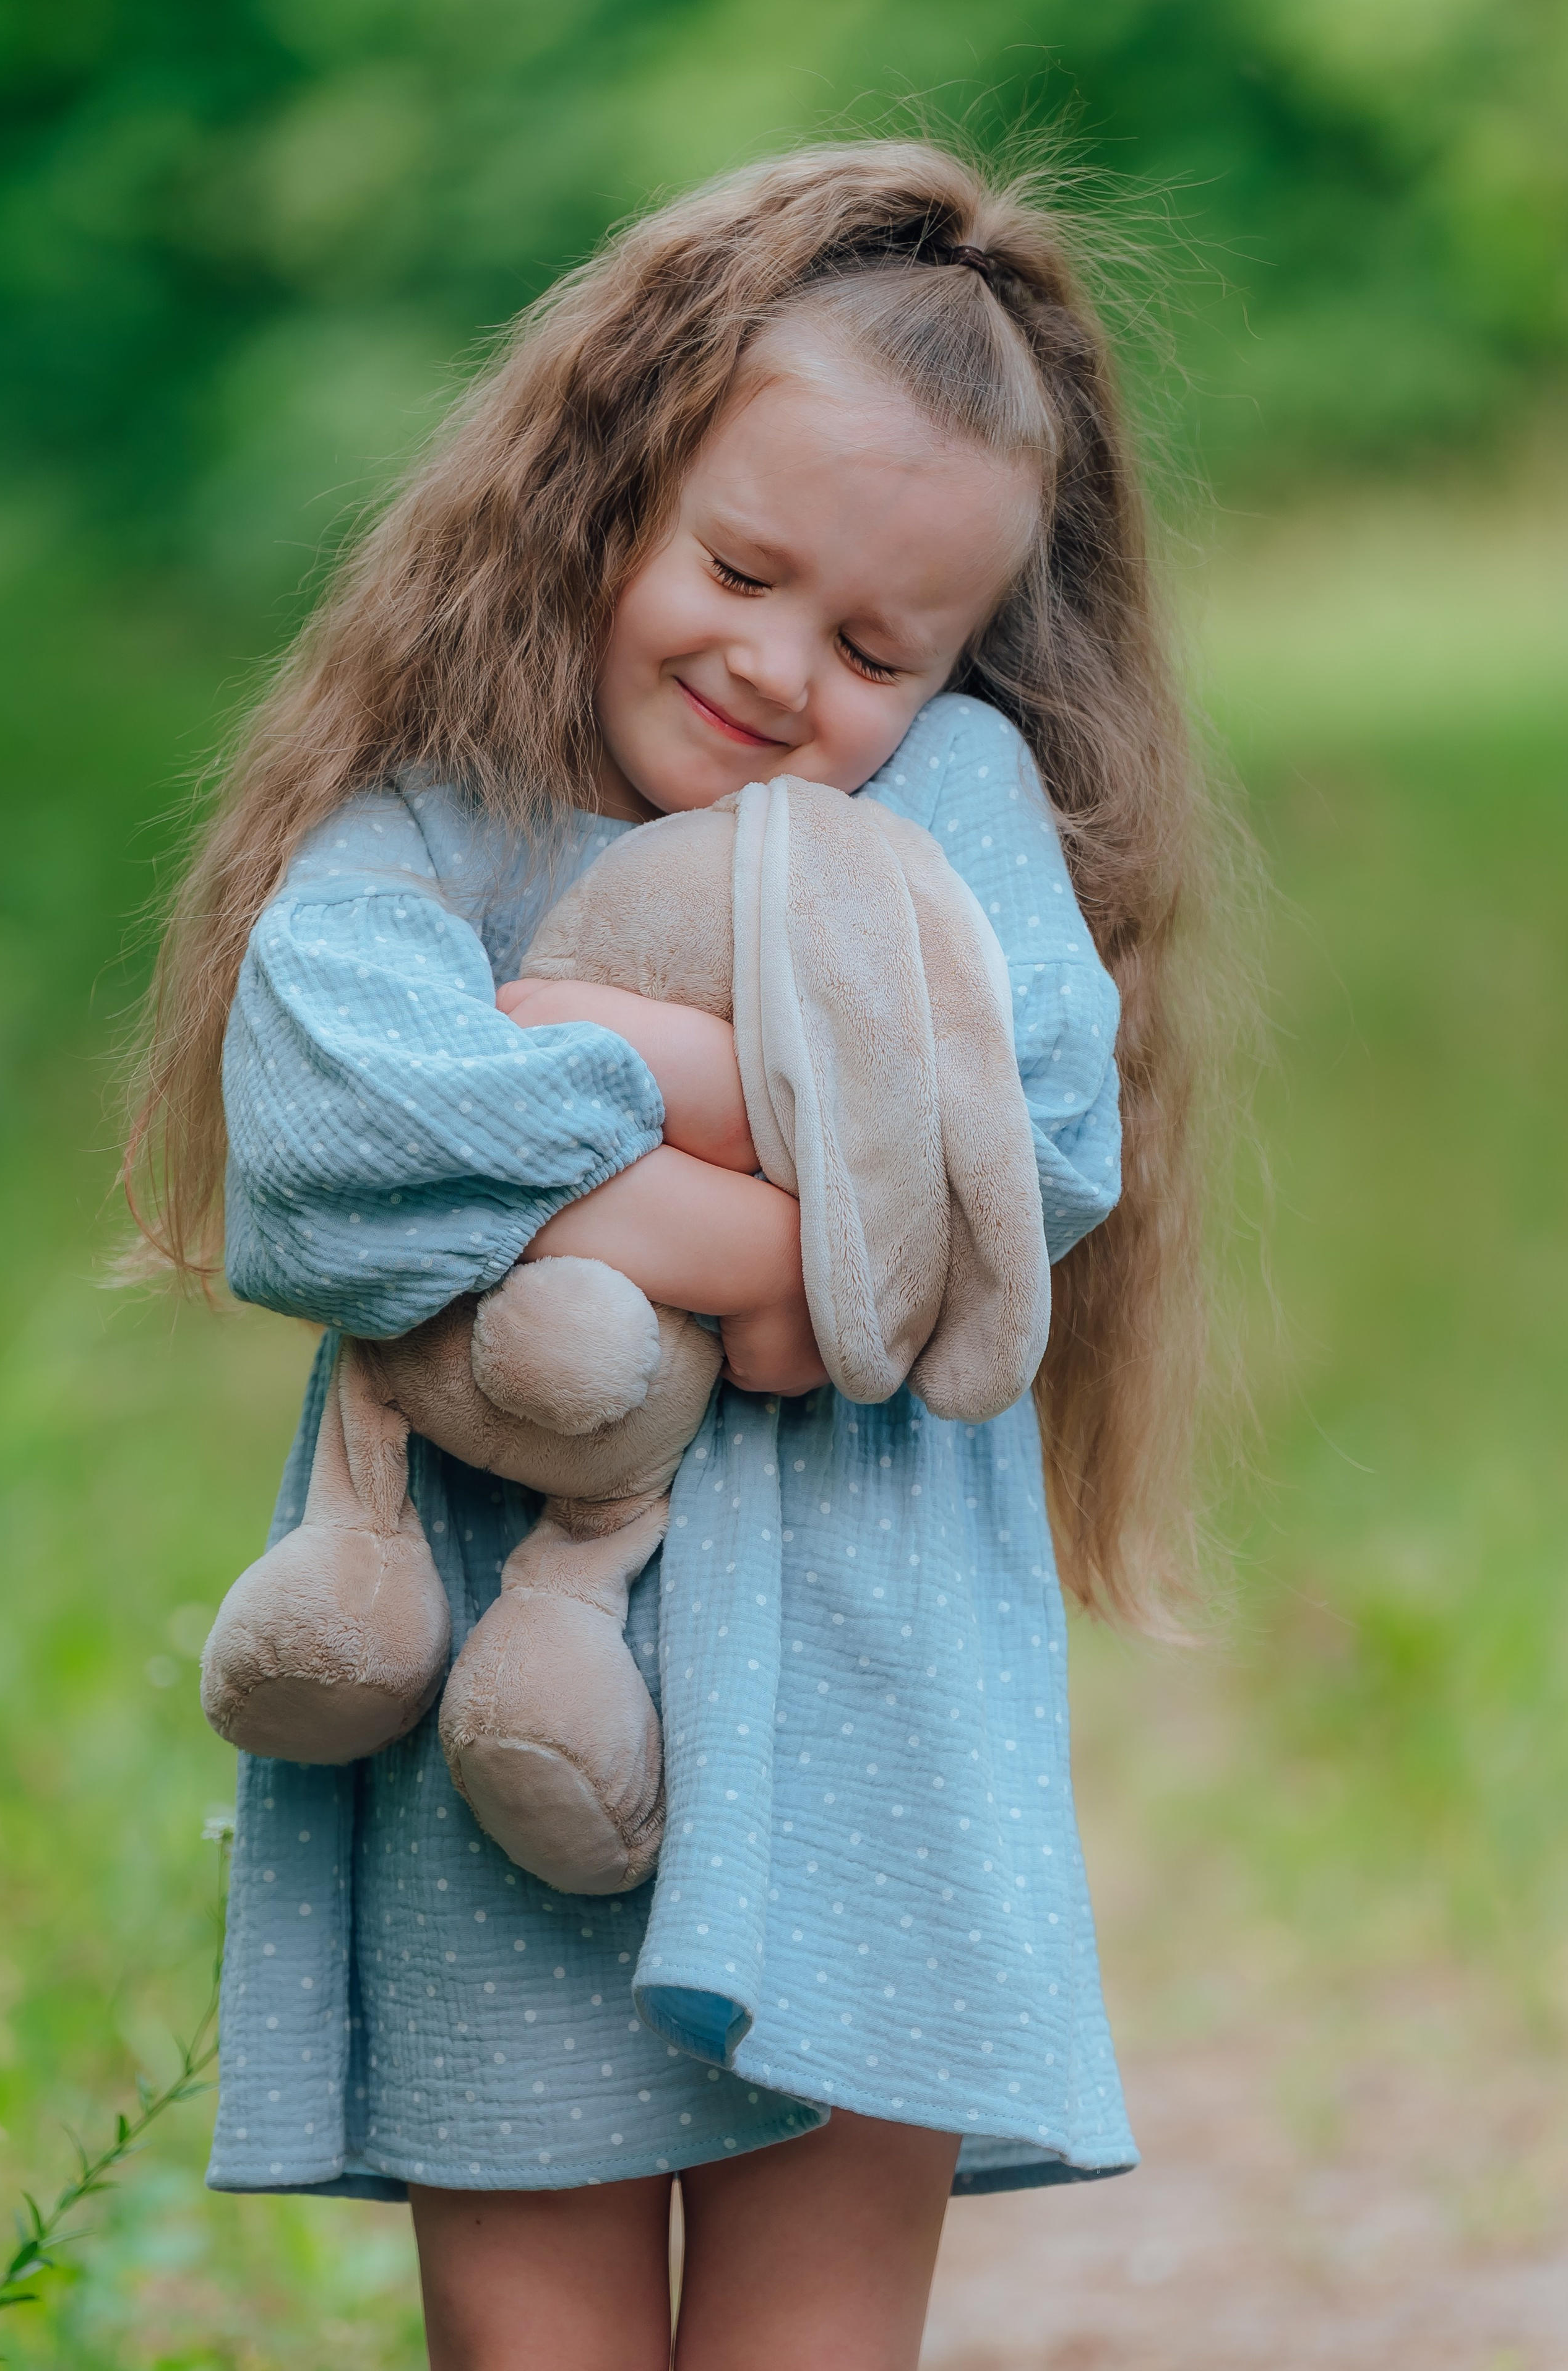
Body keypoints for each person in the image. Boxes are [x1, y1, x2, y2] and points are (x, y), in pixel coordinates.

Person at [128, 139, 1209, 2371]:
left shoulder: (959, 809)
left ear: (967, 660)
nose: (779, 667)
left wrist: (580, 1046)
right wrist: (779, 1224)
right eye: (738, 566)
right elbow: (327, 1145)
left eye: (879, 645)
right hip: (513, 1777)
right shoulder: (439, 813)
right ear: (610, 484)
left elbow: (1039, 1146)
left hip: (872, 1734)